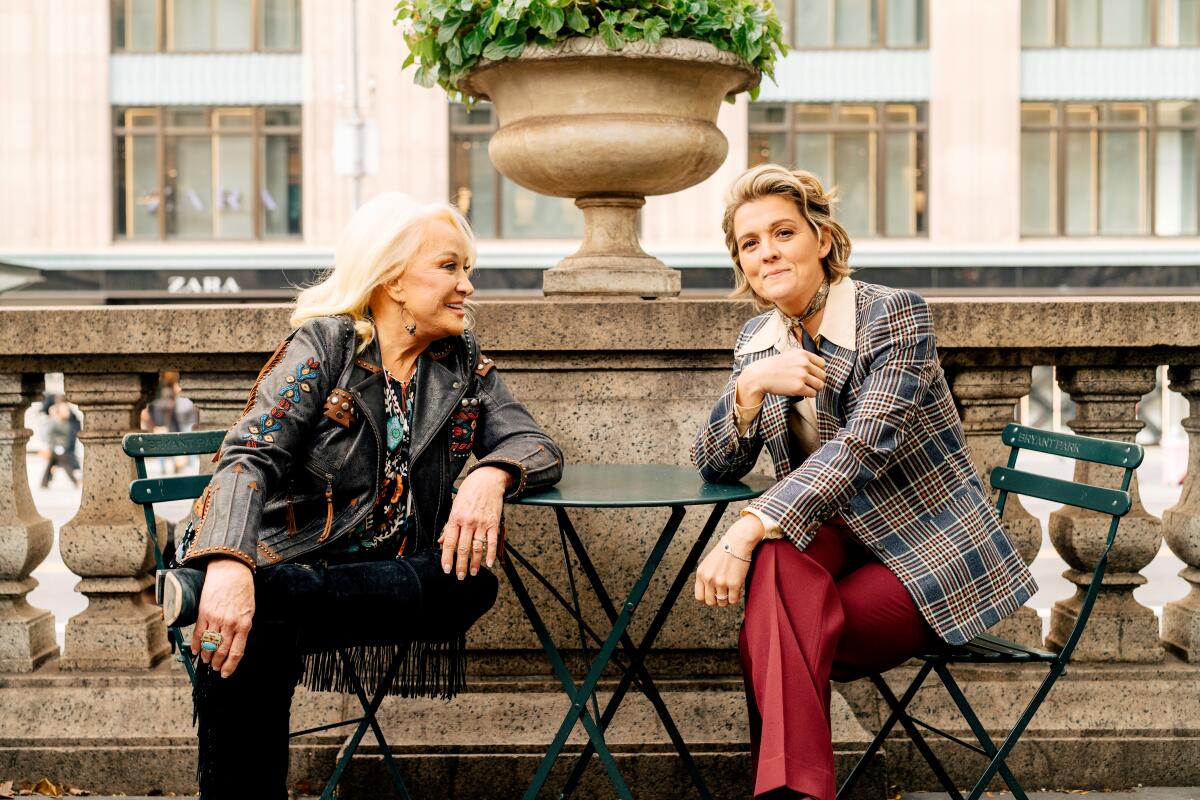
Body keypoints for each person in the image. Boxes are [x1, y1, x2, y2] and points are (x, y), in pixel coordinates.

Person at [158, 192, 563, 799]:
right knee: (256, 627)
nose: (467, 287)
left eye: (467, 270)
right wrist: (229, 564)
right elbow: (248, 458)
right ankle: (265, 596)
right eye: (450, 267)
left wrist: (490, 475)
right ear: (394, 279)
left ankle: (263, 596)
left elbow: (536, 443)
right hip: (293, 556)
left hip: (394, 579)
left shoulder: (463, 362)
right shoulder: (327, 347)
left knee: (471, 581)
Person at [690, 164, 1036, 800]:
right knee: (778, 580)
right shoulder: (757, 339)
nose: (766, 251)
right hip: (831, 542)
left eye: (782, 232)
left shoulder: (892, 316)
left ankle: (788, 792)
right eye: (750, 243)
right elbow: (716, 463)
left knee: (772, 624)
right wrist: (749, 388)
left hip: (927, 548)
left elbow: (859, 450)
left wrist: (745, 528)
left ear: (821, 239)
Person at [40, 395, 81, 488]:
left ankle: (44, 482)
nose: (67, 412)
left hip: (60, 446)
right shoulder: (54, 422)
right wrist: (54, 446)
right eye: (65, 410)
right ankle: (75, 481)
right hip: (57, 447)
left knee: (51, 463)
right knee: (65, 463)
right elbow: (49, 435)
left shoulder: (65, 422)